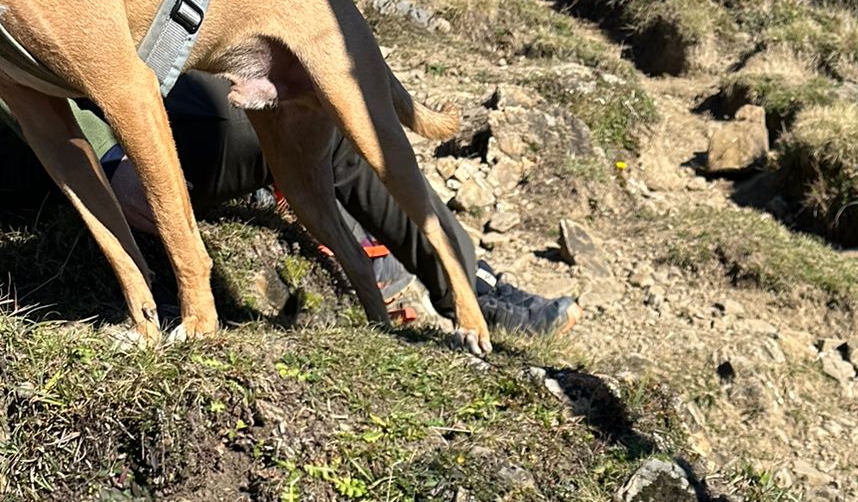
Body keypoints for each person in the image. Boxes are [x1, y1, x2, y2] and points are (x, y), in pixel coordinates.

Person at [0, 71, 576, 337]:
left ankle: (453, 278)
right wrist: (109, 161)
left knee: (314, 109)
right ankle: (460, 285)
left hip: (122, 91)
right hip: (72, 141)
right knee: (321, 124)